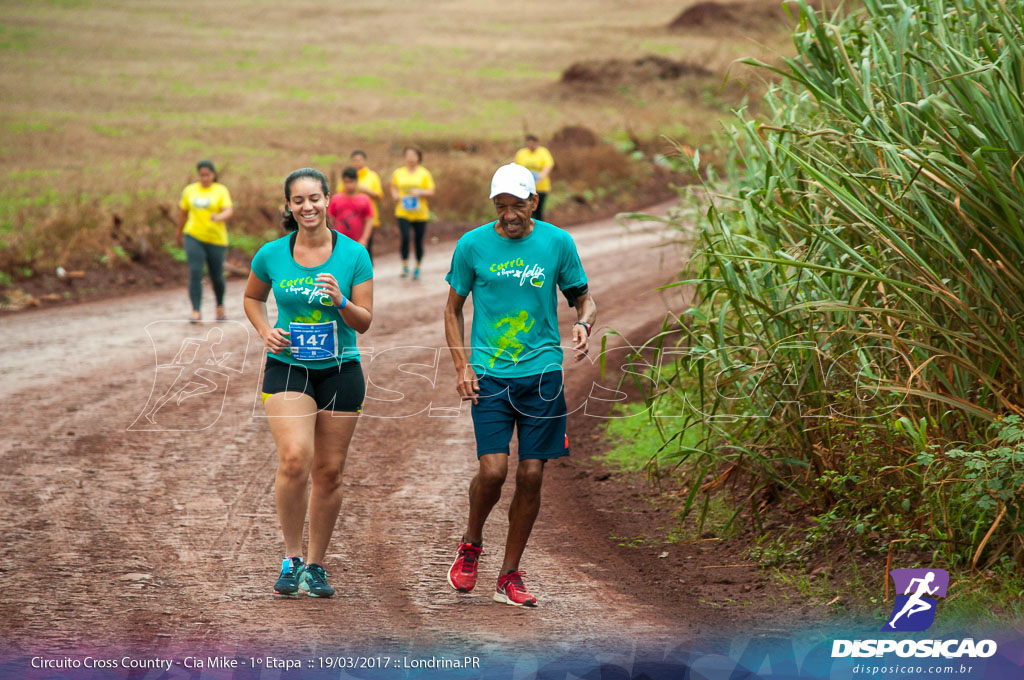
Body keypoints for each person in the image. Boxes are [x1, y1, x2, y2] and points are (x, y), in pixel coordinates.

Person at [443, 163, 596, 607]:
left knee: (531, 475)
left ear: (534, 201)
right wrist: (461, 366)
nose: (510, 215)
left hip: (543, 373)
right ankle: (471, 544)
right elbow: (452, 308)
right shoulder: (472, 246)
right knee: (493, 471)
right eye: (501, 206)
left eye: (518, 205)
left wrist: (584, 322)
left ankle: (509, 575)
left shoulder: (556, 243)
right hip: (490, 375)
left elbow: (583, 296)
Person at [243, 168, 374, 598]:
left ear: (328, 200)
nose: (307, 207)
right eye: (298, 200)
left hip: (341, 369)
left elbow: (365, 321)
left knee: (329, 471)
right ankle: (291, 557)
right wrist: (265, 331)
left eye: (314, 198)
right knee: (296, 458)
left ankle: (316, 566)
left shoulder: (354, 255)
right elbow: (251, 297)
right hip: (288, 366)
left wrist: (340, 299)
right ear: (288, 206)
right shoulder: (271, 255)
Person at [177, 160, 233, 322]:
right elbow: (183, 214)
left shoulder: (220, 190)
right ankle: (196, 310)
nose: (204, 178)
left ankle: (220, 307)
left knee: (216, 275)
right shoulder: (189, 191)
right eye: (201, 175)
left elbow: (228, 210)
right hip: (194, 236)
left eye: (207, 175)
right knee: (195, 271)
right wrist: (179, 233)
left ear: (213, 175)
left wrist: (219, 217)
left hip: (216, 239)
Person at [390, 145, 435, 280]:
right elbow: (393, 186)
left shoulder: (424, 173)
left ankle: (417, 266)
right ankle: (404, 265)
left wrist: (419, 192)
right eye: (408, 155)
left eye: (413, 155)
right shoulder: (399, 173)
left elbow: (431, 191)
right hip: (402, 211)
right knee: (404, 237)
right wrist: (395, 195)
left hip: (420, 213)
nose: (410, 158)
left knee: (418, 239)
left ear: (418, 158)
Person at [328, 167, 374, 255]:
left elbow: (369, 220)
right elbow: (331, 220)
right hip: (339, 242)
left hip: (358, 242)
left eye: (351, 182)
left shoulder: (364, 199)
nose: (349, 185)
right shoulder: (336, 199)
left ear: (357, 182)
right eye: (346, 182)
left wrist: (364, 239)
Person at [349, 150, 383, 260]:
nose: (357, 162)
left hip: (368, 216)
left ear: (364, 160)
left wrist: (365, 190)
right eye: (354, 160)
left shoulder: (372, 176)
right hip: (351, 217)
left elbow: (379, 195)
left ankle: (368, 273)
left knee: (367, 246)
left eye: (359, 160)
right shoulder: (348, 176)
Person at [514, 135, 554, 222]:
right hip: (526, 188)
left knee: (538, 210)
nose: (531, 145)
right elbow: (517, 167)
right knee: (528, 210)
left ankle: (539, 230)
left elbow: (548, 165)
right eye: (529, 143)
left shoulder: (543, 152)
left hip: (541, 187)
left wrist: (542, 175)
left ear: (536, 143)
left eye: (533, 143)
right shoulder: (521, 153)